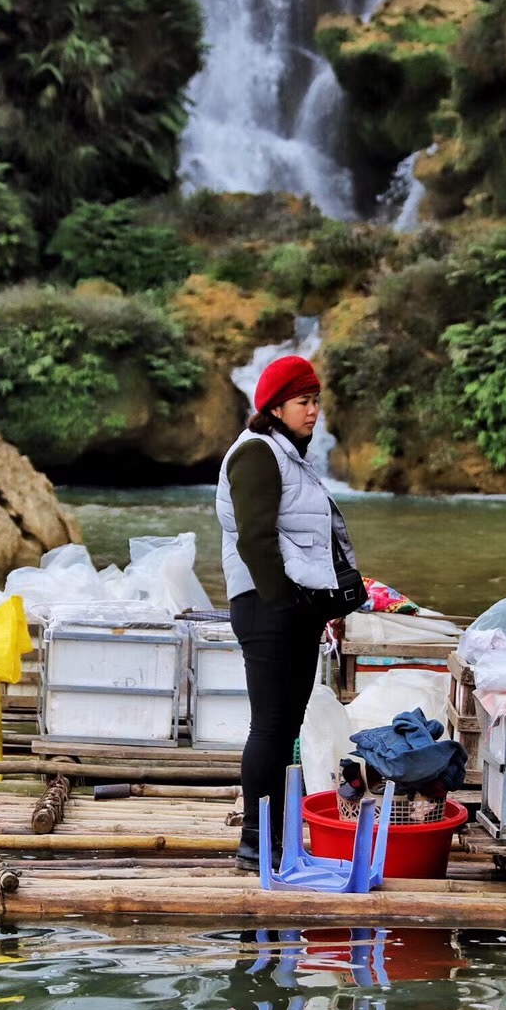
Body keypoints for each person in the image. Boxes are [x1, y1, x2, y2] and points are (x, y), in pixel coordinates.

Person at [216, 355, 360, 872]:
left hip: (291, 609)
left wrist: (320, 607)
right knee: (271, 728)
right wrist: (285, 605)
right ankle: (256, 844)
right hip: (265, 607)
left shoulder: (290, 457)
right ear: (276, 406)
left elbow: (308, 543)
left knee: (285, 726)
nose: (314, 412)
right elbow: (255, 540)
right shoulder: (255, 453)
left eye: (317, 401)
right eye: (304, 402)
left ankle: (275, 839)